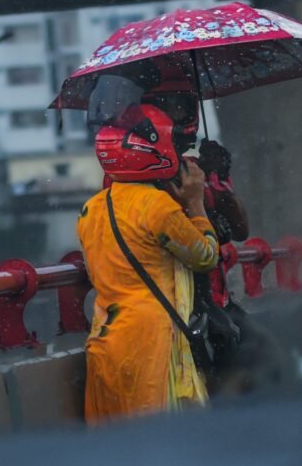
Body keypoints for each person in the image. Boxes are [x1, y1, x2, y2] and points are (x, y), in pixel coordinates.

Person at [78, 103, 220, 424]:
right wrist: (196, 202)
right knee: (160, 443)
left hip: (106, 338)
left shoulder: (91, 209)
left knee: (117, 446)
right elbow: (206, 256)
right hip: (152, 340)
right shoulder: (157, 207)